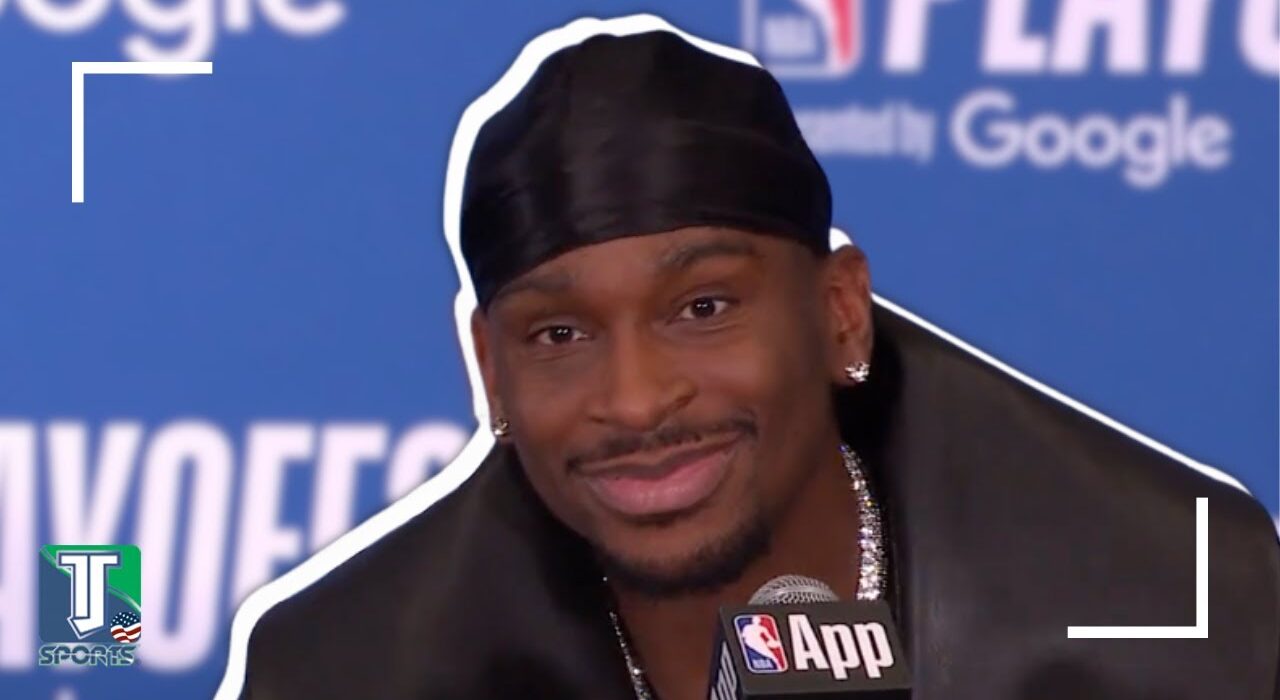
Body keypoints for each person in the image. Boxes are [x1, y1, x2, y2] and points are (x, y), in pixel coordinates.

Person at [232, 24, 1280, 700]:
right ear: (490, 374)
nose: (635, 400)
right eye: (560, 335)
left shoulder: (1190, 601)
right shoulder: (343, 671)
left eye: (702, 308)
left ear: (838, 314)